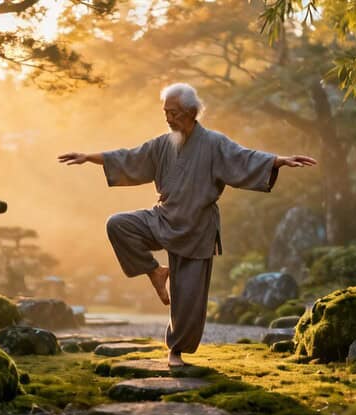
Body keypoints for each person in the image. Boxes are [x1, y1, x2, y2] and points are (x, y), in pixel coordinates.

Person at [58, 83, 317, 366]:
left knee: (188, 300)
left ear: (192, 112)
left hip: (197, 228)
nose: (169, 118)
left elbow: (243, 158)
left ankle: (175, 350)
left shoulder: (214, 143)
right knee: (118, 224)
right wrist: (89, 157)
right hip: (164, 218)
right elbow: (129, 157)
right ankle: (155, 271)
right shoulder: (163, 143)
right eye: (166, 112)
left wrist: (278, 161)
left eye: (175, 113)